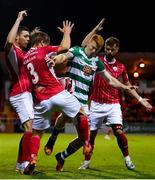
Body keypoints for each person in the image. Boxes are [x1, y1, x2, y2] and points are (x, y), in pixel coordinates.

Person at [44, 28, 138, 172]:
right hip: (69, 95)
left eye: (96, 48)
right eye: (92, 46)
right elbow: (63, 57)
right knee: (79, 125)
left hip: (82, 100)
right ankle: (53, 139)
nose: (93, 50)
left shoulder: (96, 62)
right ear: (87, 42)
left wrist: (126, 87)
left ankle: (61, 156)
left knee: (81, 138)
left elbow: (111, 80)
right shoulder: (76, 51)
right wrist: (54, 59)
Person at [78, 25, 153, 170]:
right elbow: (84, 45)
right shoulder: (96, 60)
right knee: (91, 136)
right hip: (96, 104)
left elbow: (128, 85)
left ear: (117, 50)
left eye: (112, 49)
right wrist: (94, 31)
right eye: (107, 48)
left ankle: (128, 159)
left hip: (113, 104)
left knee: (119, 132)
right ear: (104, 48)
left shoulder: (121, 67)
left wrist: (140, 99)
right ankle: (87, 162)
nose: (109, 51)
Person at [23, 23, 92, 175]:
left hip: (41, 99)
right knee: (81, 112)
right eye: (45, 43)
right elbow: (65, 47)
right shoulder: (43, 49)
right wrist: (67, 32)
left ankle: (33, 159)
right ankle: (87, 143)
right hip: (57, 92)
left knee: (36, 133)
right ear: (41, 42)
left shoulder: (26, 58)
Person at [4, 10, 34, 172]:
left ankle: (20, 163)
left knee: (30, 130)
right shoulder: (12, 51)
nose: (28, 39)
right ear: (17, 38)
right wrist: (18, 19)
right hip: (20, 93)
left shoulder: (23, 52)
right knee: (29, 128)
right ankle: (25, 163)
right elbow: (8, 42)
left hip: (26, 94)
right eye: (26, 36)